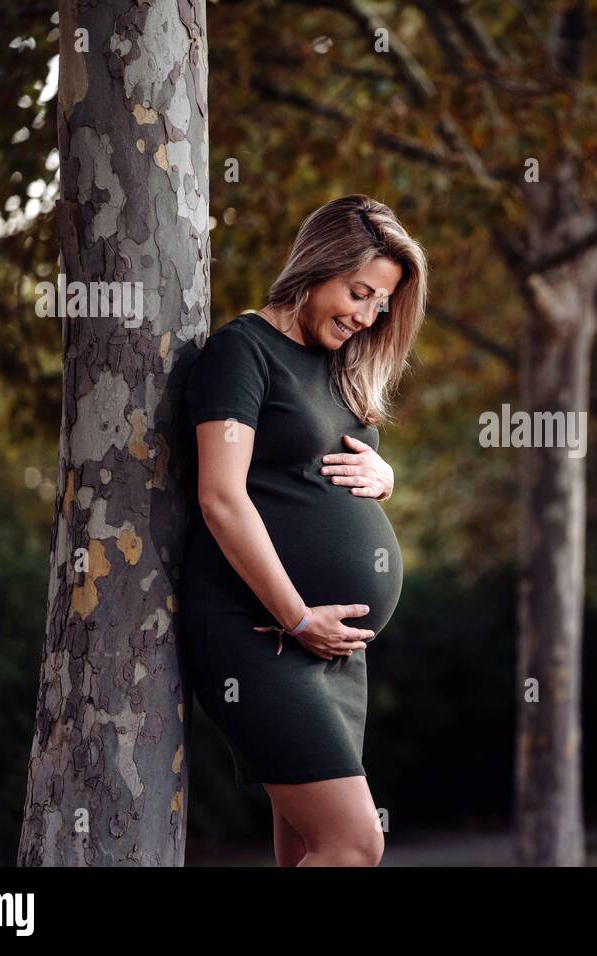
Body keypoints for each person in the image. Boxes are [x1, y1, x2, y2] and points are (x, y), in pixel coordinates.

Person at [180, 195, 427, 866]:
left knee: (308, 853)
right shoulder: (243, 351)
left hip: (337, 649)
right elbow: (222, 498)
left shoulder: (341, 367)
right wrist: (295, 618)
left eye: (381, 303)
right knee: (353, 844)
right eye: (359, 292)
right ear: (316, 268)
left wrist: (388, 479)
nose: (368, 314)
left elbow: (323, 474)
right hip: (261, 631)